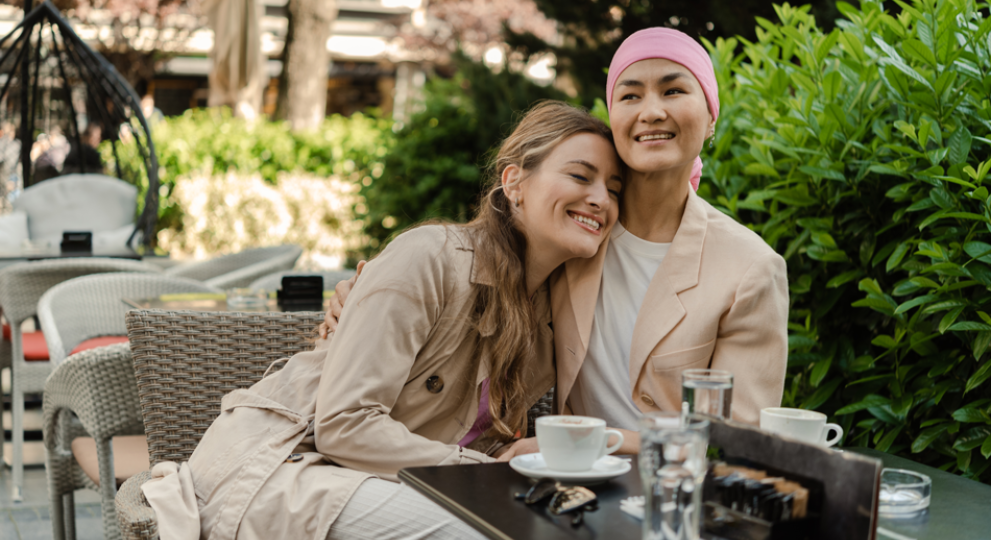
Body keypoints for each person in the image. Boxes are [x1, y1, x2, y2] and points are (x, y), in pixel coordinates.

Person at [144, 101, 624, 540]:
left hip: (390, 481)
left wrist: (501, 461)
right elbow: (344, 425)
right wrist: (485, 469)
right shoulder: (430, 258)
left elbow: (468, 438)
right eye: (581, 177)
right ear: (514, 182)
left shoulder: (547, 322)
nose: (600, 198)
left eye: (613, 188)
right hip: (284, 470)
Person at [325, 28, 789, 457]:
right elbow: (475, 265)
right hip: (568, 490)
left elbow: (742, 444)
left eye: (673, 90)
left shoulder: (748, 268)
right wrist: (365, 287)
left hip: (671, 488)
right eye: (630, 95)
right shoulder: (578, 235)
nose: (651, 110)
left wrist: (594, 441)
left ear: (710, 118)